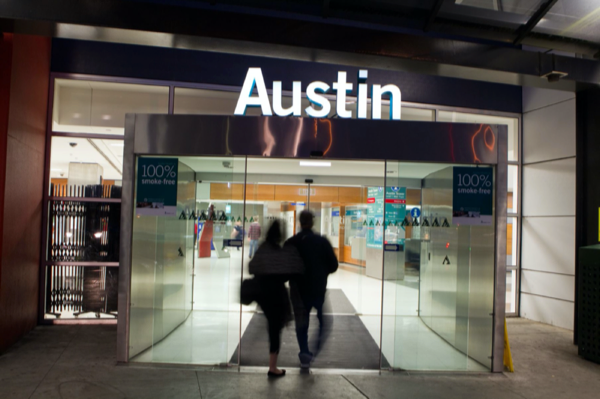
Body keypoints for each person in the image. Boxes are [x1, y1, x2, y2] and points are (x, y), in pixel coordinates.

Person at [249, 220, 303, 378]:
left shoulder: (262, 248)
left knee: (273, 326)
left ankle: (273, 365)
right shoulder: (279, 251)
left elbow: (252, 267)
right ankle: (273, 367)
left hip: (263, 295)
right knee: (275, 328)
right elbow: (289, 272)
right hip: (276, 294)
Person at [285, 210, 338, 368]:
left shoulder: (292, 242)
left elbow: (285, 267)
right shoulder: (322, 242)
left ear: (299, 222)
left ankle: (304, 352)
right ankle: (313, 350)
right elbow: (334, 265)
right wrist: (322, 272)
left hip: (298, 291)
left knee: (302, 323)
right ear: (312, 222)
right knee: (324, 322)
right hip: (318, 289)